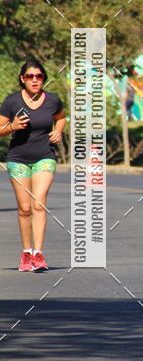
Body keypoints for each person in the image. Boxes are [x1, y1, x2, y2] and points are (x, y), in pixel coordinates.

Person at [0, 60, 66, 272]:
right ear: (22, 79)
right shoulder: (11, 102)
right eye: (30, 76)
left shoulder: (52, 100)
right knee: (25, 208)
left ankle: (38, 253)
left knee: (38, 204)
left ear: (43, 78)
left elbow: (61, 118)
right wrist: (12, 126)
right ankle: (26, 252)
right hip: (17, 159)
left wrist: (58, 130)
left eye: (39, 76)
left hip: (44, 157)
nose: (35, 80)